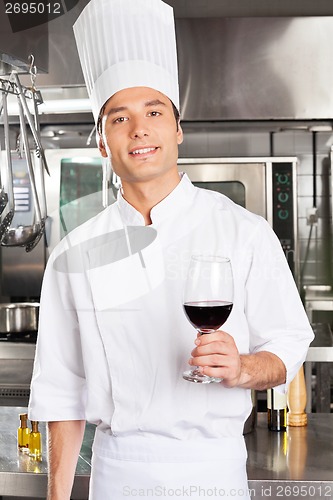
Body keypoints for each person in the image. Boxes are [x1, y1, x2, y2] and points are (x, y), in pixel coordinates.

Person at [28, 1, 314, 499]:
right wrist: (57, 496)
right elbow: (61, 392)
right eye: (120, 118)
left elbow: (288, 345)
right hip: (117, 474)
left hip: (214, 472)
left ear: (177, 130)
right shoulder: (73, 254)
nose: (139, 129)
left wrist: (244, 367)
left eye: (154, 112)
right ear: (101, 142)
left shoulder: (243, 231)